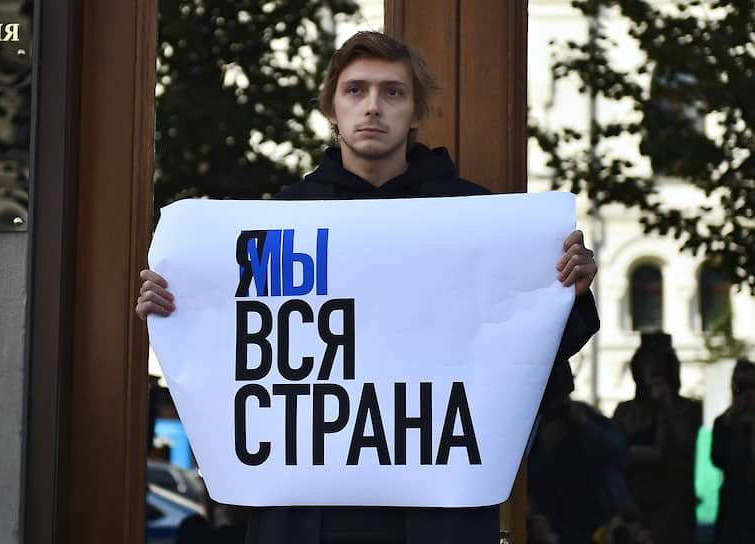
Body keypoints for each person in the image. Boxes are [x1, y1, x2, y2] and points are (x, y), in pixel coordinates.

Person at [137, 31, 600, 544]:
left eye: (392, 92)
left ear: (417, 111)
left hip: (436, 513)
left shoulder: (480, 222)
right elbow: (240, 352)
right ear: (332, 109)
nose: (373, 106)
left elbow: (524, 364)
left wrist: (568, 294)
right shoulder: (279, 222)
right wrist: (177, 308)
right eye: (355, 90)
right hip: (307, 514)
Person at [612, 333, 702, 544]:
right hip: (634, 506)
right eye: (648, 363)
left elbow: (683, 446)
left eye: (660, 364)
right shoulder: (626, 411)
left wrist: (666, 407)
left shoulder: (688, 409)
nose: (654, 370)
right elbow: (615, 453)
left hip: (673, 510)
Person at [527, 389, 632, 544]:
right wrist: (546, 447)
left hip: (592, 515)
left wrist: (585, 423)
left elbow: (619, 455)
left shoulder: (587, 417)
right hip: (549, 517)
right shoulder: (534, 424)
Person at [710, 359, 755, 544]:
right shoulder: (723, 422)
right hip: (733, 504)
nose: (747, 394)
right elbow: (718, 458)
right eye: (740, 388)